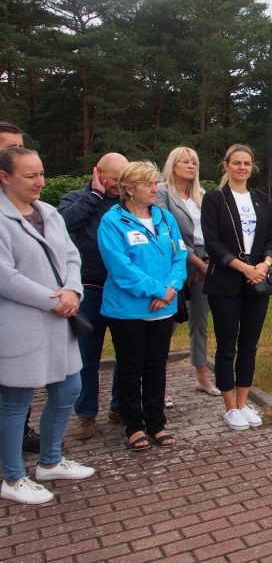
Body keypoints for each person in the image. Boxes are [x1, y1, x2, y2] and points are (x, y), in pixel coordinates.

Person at [0, 147, 95, 505]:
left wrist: (73, 289)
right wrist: (56, 300)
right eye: (30, 175)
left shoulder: (50, 212)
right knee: (14, 402)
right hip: (20, 323)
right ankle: (12, 477)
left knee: (69, 387)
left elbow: (71, 255)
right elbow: (5, 278)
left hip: (60, 319)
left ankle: (51, 461)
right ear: (5, 177)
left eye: (41, 174)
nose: (40, 182)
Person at [98, 161, 187, 450]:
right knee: (130, 366)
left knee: (156, 366)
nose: (155, 188)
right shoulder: (112, 222)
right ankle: (134, 426)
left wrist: (170, 289)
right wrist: (159, 289)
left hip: (163, 307)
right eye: (148, 184)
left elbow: (180, 256)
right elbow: (121, 268)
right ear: (128, 189)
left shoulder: (164, 217)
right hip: (127, 310)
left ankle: (156, 423)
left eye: (155, 183)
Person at [200, 144, 272, 431]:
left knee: (249, 346)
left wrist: (265, 264)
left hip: (257, 282)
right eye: (236, 163)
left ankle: (244, 402)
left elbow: (271, 235)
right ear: (226, 166)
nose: (242, 167)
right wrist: (243, 267)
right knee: (226, 347)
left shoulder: (260, 198)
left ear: (252, 167)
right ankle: (230, 406)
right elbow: (212, 242)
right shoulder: (215, 199)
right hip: (226, 282)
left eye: (247, 163)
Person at [58, 151, 129, 440]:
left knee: (126, 354)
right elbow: (62, 224)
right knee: (87, 357)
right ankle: (86, 414)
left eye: (122, 180)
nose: (117, 185)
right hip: (90, 290)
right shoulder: (75, 198)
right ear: (97, 172)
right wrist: (95, 197)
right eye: (113, 179)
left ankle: (119, 405)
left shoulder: (127, 203)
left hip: (122, 291)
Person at [157, 147, 218, 396]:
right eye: (185, 161)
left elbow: (213, 232)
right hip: (175, 264)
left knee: (200, 323)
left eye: (194, 162)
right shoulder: (162, 193)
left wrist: (207, 261)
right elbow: (168, 234)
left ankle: (202, 378)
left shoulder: (201, 196)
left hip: (203, 262)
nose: (191, 166)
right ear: (172, 165)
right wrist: (197, 262)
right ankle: (157, 386)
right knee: (167, 325)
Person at [0, 121, 40, 455]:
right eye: (8, 148)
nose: (16, 153)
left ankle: (20, 433)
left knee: (17, 386)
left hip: (25, 311)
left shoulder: (37, 208)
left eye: (19, 146)